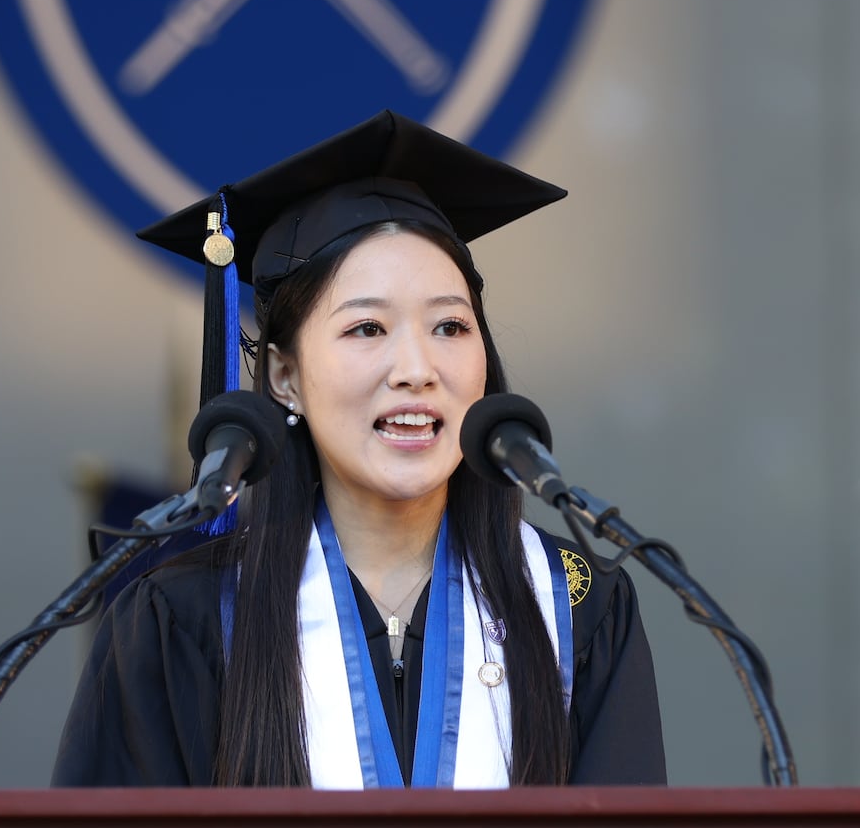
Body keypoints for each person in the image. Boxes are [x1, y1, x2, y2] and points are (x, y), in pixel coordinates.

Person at [52, 111, 665, 788]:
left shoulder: (575, 613)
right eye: (368, 328)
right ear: (284, 377)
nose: (417, 367)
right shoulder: (182, 621)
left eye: (451, 326)